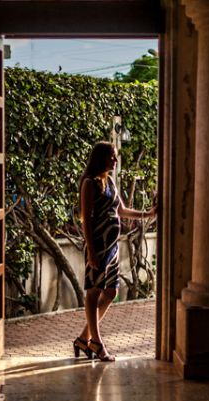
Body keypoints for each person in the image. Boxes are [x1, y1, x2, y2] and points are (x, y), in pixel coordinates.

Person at [73, 141, 156, 362]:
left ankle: (83, 338)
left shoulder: (109, 181)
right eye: (112, 156)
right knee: (93, 291)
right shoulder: (89, 184)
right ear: (101, 157)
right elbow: (86, 221)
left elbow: (121, 210)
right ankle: (97, 344)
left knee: (110, 292)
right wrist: (91, 251)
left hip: (112, 249)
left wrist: (147, 214)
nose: (115, 160)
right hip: (97, 248)